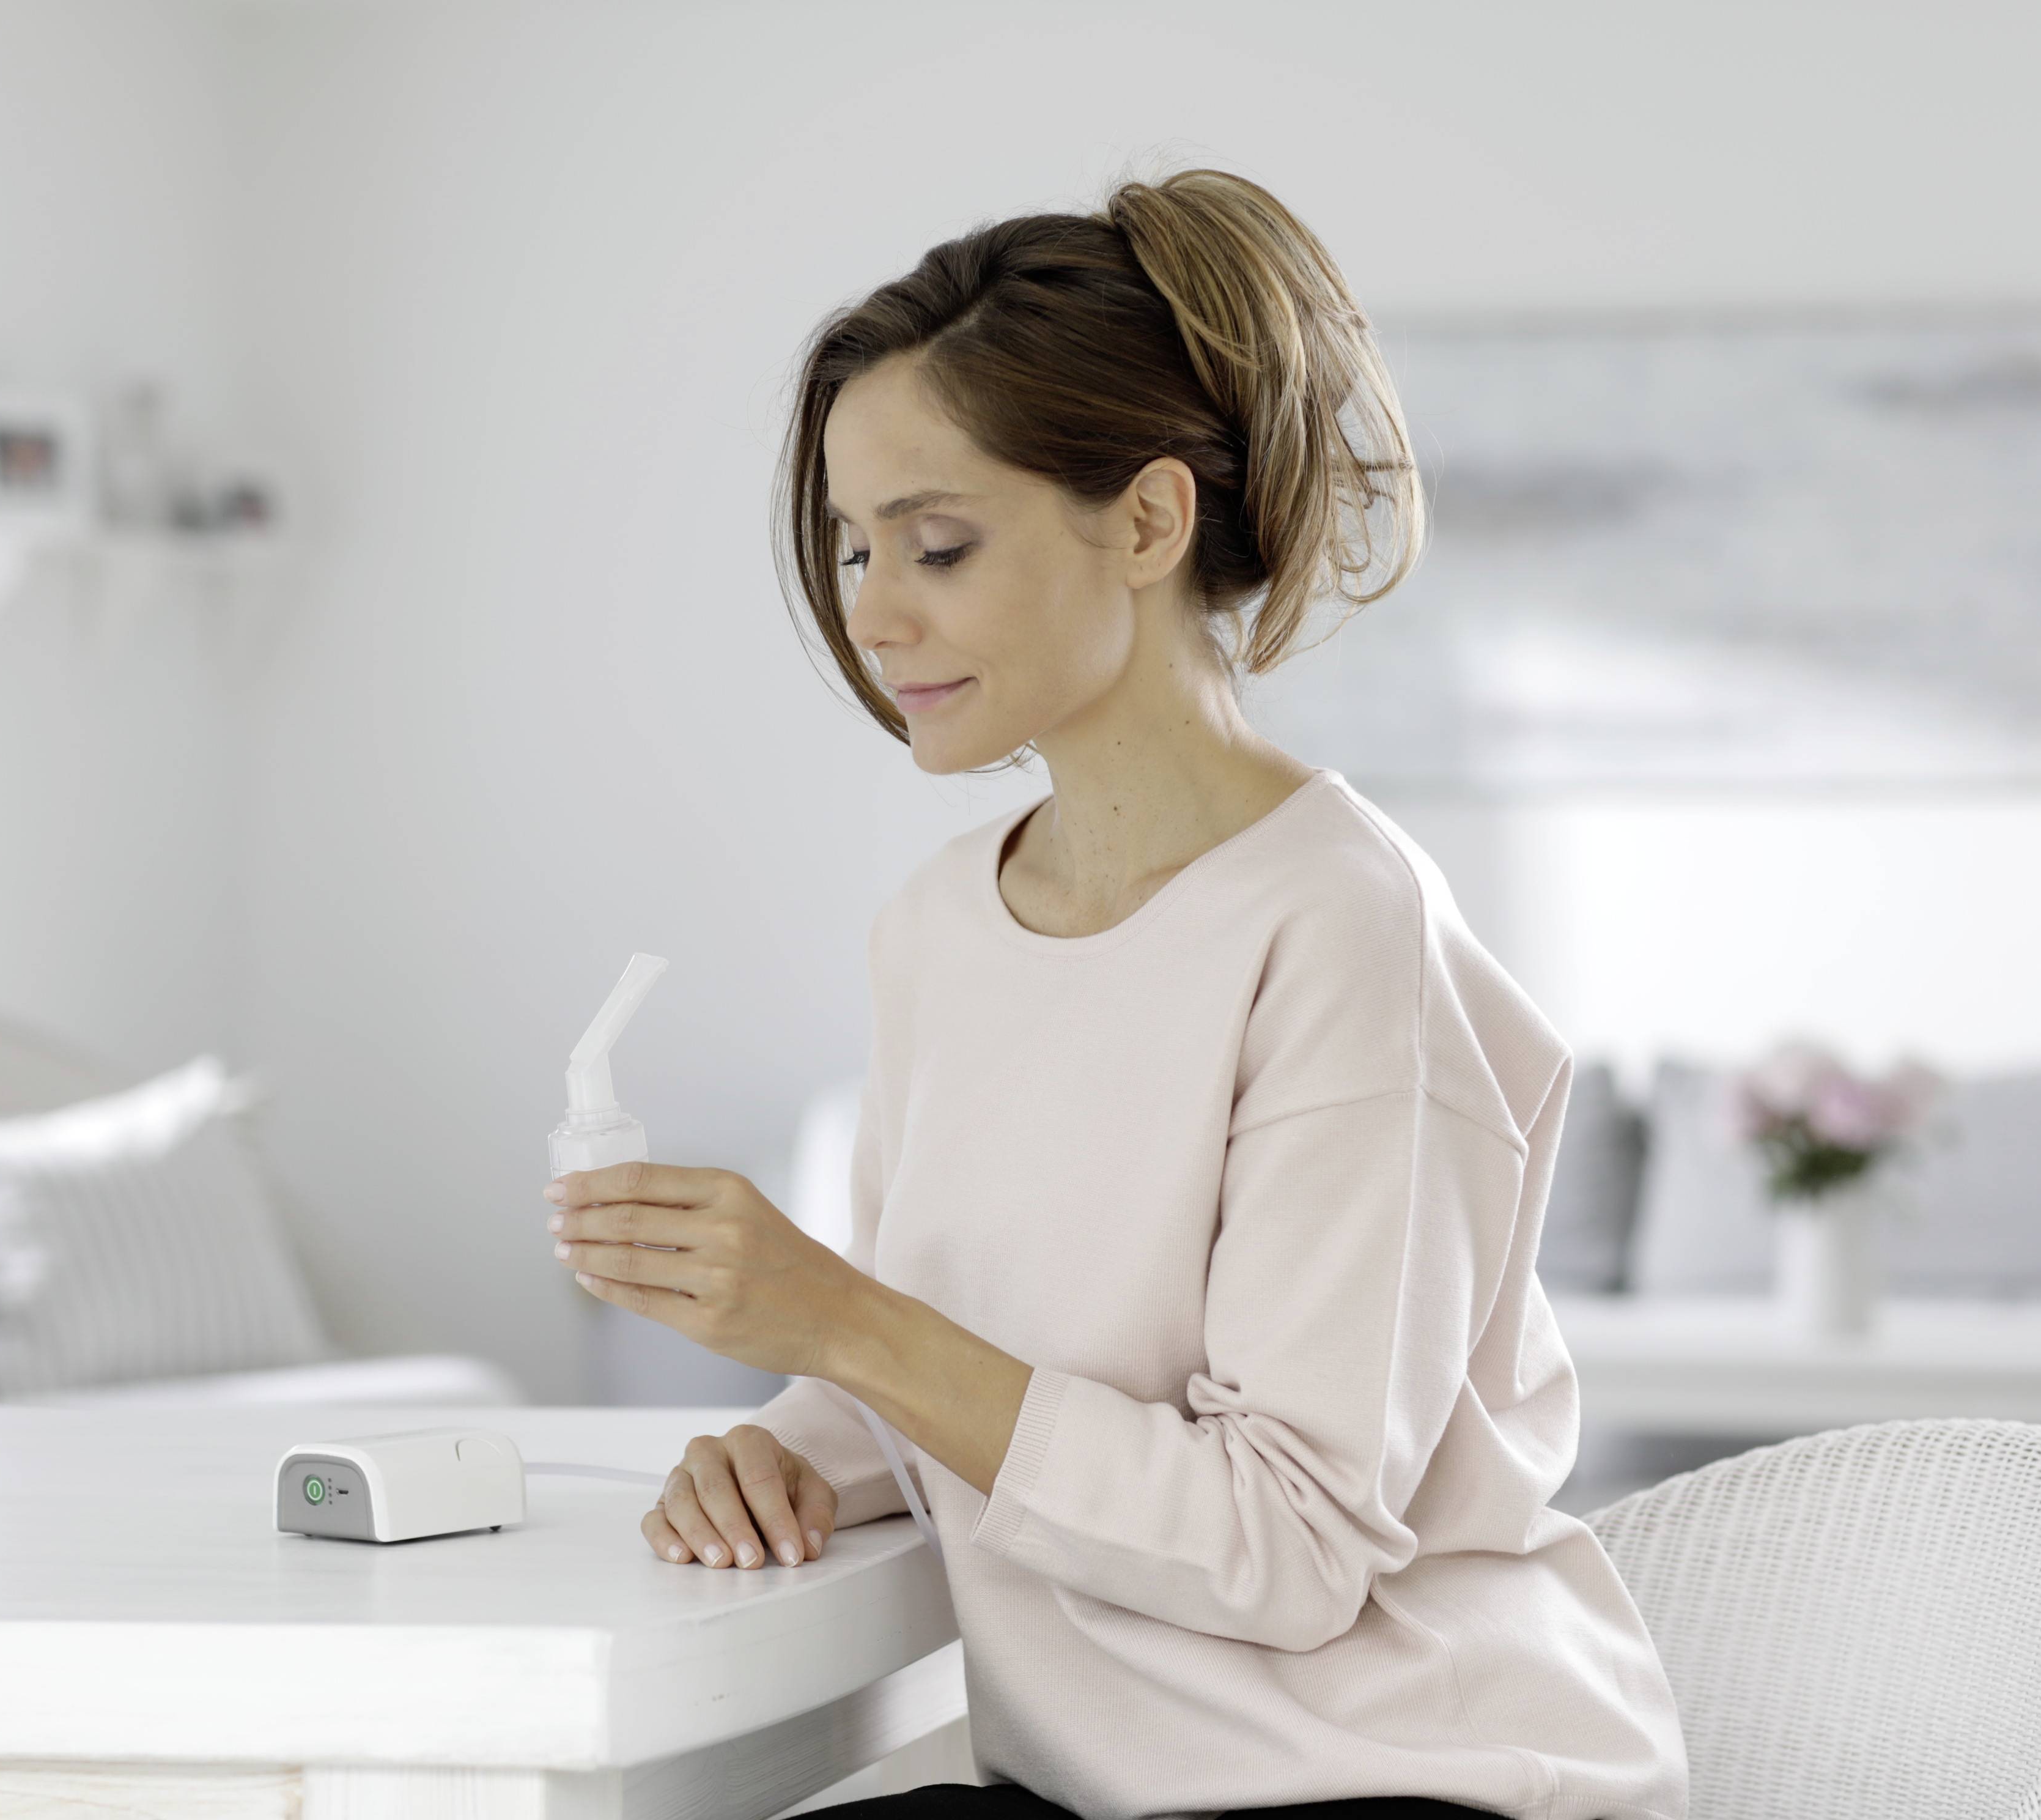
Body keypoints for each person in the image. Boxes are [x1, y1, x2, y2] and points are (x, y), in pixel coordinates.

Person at [541, 167, 1688, 1820]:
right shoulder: (941, 930)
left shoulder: (1342, 933)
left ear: (1148, 523)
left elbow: (1288, 1545)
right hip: (1097, 1785)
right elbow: (971, 1363)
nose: (873, 610)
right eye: (854, 546)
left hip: (1404, 1783)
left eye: (937, 544)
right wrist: (801, 1439)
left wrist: (841, 1321)